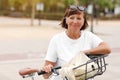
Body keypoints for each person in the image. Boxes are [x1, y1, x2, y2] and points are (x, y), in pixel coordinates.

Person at [19, 5, 111, 80]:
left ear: (83, 21)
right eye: (71, 18)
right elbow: (45, 75)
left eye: (79, 18)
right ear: (66, 20)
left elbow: (107, 48)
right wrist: (47, 70)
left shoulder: (88, 36)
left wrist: (84, 52)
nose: (75, 21)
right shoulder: (57, 40)